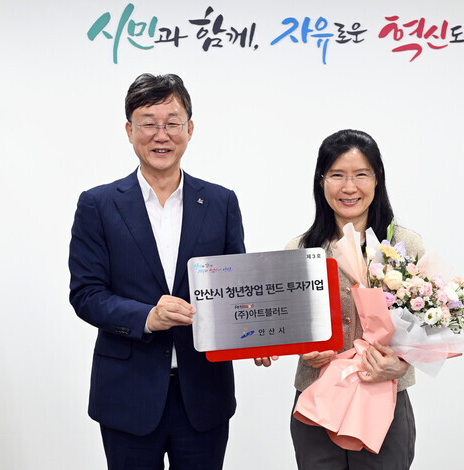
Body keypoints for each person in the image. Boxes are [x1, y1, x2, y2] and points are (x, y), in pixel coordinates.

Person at [68, 73, 245, 470]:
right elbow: (86, 294)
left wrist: (256, 338)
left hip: (204, 394)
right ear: (129, 131)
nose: (161, 135)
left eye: (172, 123)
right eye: (148, 123)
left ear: (190, 129)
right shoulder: (98, 205)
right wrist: (147, 317)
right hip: (127, 395)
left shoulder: (221, 203)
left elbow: (235, 289)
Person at [258, 129, 424, 469]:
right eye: (337, 175)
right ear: (321, 181)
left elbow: (427, 326)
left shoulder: (405, 247)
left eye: (361, 174)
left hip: (384, 400)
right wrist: (297, 347)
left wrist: (402, 363)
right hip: (317, 401)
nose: (349, 187)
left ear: (377, 179)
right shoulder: (299, 250)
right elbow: (283, 325)